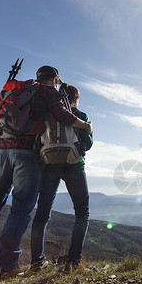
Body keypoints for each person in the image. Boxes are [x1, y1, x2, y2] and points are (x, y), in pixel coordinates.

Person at [0, 66, 92, 281]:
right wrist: (85, 127)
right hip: (27, 154)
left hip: (3, 151)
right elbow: (64, 116)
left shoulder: (18, 89)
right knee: (21, 208)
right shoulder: (48, 91)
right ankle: (5, 265)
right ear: (55, 79)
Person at [30, 84, 93, 273]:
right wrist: (88, 131)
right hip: (74, 165)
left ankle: (36, 263)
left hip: (49, 165)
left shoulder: (49, 113)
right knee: (82, 214)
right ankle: (73, 263)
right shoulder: (80, 115)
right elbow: (87, 145)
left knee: (42, 215)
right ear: (75, 99)